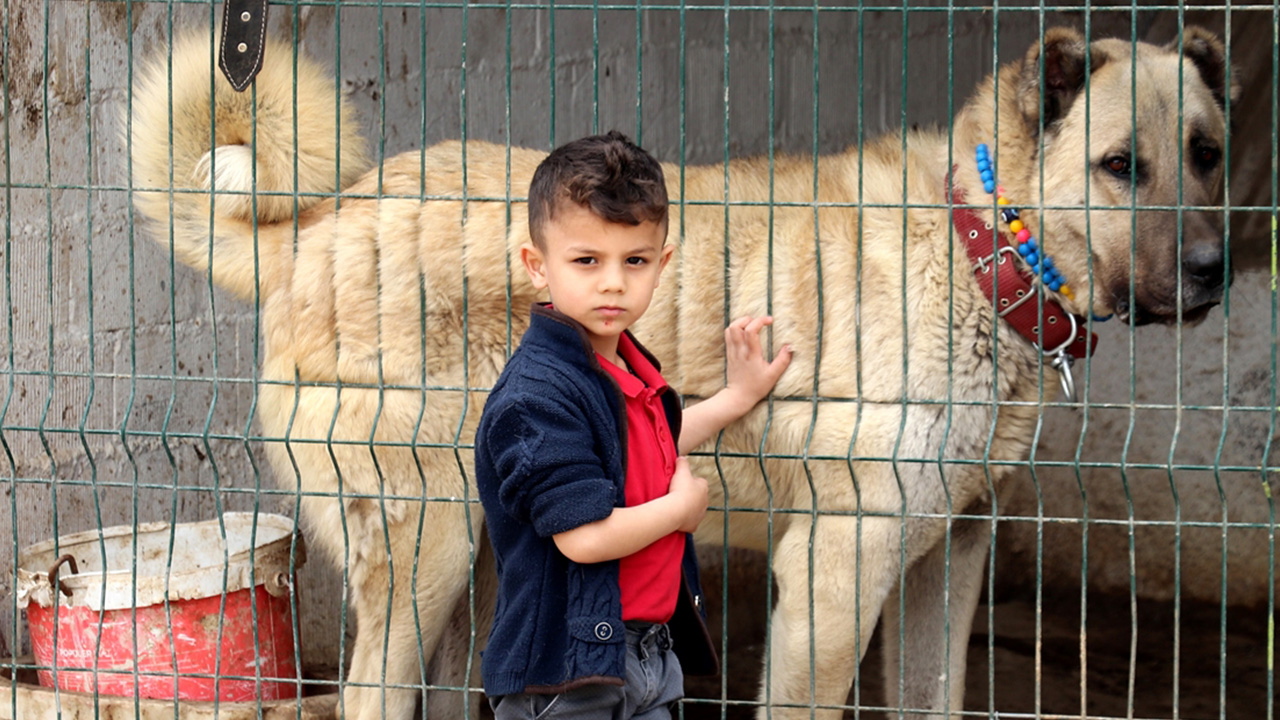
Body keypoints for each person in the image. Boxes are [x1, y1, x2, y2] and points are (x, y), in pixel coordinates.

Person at [475, 130, 792, 720]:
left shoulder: (623, 364)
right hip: (566, 676)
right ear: (537, 266)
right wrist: (681, 510)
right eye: (587, 260)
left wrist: (734, 397)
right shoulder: (537, 397)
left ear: (662, 262)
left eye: (635, 260)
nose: (614, 282)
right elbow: (585, 538)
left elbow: (649, 445)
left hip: (647, 655)